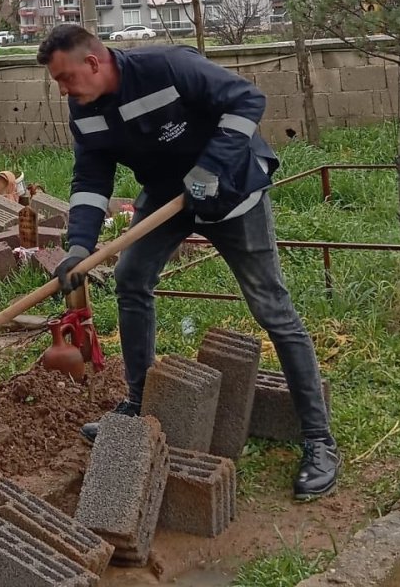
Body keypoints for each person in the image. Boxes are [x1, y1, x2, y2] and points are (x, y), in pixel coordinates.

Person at [38, 24, 339, 500]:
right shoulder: (84, 110)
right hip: (166, 197)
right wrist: (78, 246)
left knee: (271, 308)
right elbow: (91, 177)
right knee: (131, 277)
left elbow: (247, 101)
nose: (63, 90)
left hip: (232, 191)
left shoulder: (169, 67)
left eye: (66, 78)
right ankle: (138, 404)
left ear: (93, 63)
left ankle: (319, 441)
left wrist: (211, 167)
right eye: (58, 83)